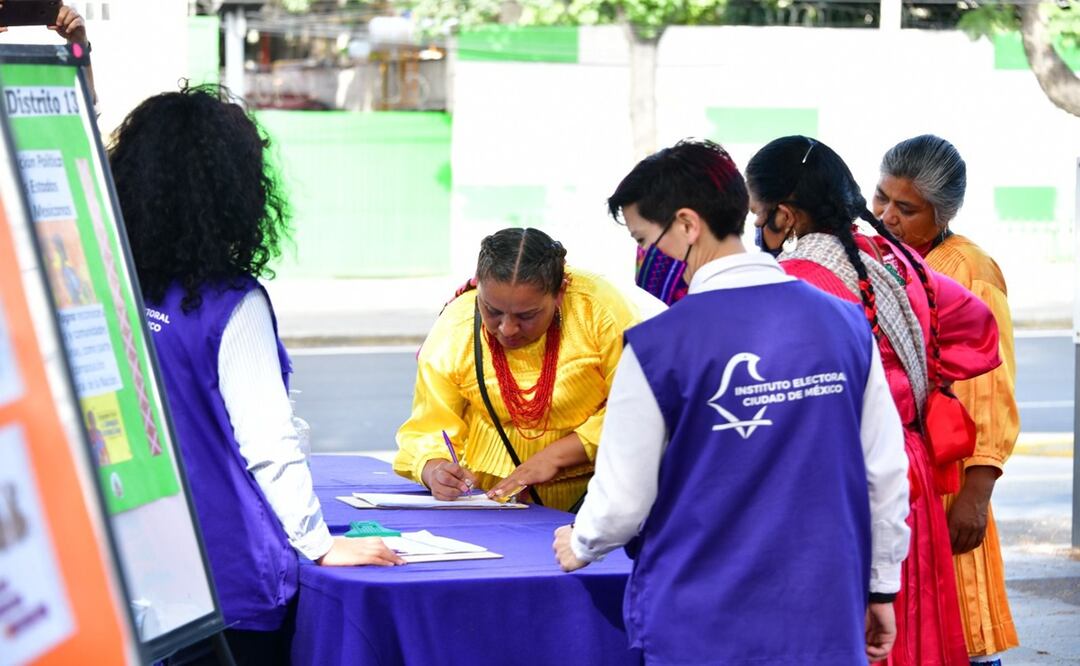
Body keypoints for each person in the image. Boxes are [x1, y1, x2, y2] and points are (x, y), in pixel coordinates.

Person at [553, 139, 912, 664]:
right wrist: (881, 586)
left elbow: (623, 501)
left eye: (644, 238)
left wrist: (581, 542)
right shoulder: (844, 325)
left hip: (699, 620)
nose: (645, 258)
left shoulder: (659, 346)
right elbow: (883, 472)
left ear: (686, 225)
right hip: (822, 613)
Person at [109, 84, 403, 664]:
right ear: (231, 191)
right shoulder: (229, 303)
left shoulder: (111, 284)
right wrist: (320, 547)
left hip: (135, 564)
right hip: (228, 577)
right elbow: (269, 443)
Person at [746, 135, 1002, 666]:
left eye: (758, 213)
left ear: (785, 215)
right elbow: (977, 330)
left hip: (848, 481)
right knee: (907, 633)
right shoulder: (893, 259)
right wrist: (915, 385)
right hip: (911, 472)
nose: (755, 228)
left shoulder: (793, 281)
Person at [876, 135, 1019, 666]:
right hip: (902, 484)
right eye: (881, 198)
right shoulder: (884, 262)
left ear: (942, 212)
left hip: (951, 486)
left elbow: (991, 389)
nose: (887, 216)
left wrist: (975, 496)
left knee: (962, 626)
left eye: (905, 208)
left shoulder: (968, 269)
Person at [394, 227, 640, 512]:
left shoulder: (599, 311)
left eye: (527, 315)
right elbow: (428, 427)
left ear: (560, 293)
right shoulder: (457, 327)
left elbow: (642, 402)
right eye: (492, 310)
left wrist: (557, 456)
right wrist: (433, 468)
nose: (507, 329)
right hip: (488, 501)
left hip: (596, 498)